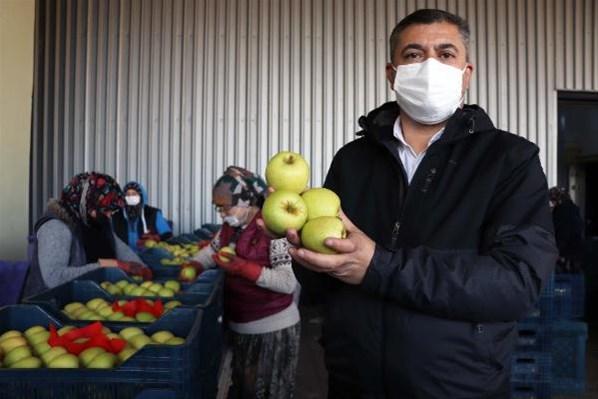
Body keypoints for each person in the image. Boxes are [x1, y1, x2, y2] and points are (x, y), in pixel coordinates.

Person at [275, 9, 557, 399]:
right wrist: (303, 247)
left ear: (466, 73)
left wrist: (379, 266)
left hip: (459, 387)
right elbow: (323, 287)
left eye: (445, 54)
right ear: (392, 74)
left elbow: (516, 282)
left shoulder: (509, 160)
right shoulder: (353, 160)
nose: (429, 65)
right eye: (413, 55)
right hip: (354, 382)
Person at [191, 166, 300, 399]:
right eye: (218, 207)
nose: (221, 213)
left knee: (269, 392)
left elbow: (287, 282)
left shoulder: (273, 227)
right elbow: (212, 249)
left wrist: (243, 268)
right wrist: (194, 265)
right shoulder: (231, 226)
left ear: (247, 201)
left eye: (225, 206)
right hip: (240, 326)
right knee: (245, 390)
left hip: (272, 330)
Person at [23, 172, 152, 298]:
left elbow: (119, 247)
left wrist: (142, 267)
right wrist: (106, 265)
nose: (108, 215)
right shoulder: (56, 227)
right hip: (49, 305)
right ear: (88, 204)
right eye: (105, 209)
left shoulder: (93, 221)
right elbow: (54, 277)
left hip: (86, 300)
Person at [112, 181, 173, 250]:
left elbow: (168, 235)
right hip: (124, 256)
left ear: (141, 196)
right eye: (127, 194)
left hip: (148, 255)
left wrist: (156, 238)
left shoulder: (153, 213)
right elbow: (110, 237)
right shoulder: (116, 216)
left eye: (134, 194)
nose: (130, 197)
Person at [549, 186, 584, 273]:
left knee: (562, 274)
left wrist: (557, 249)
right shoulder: (574, 209)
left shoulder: (560, 211)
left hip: (564, 248)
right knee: (575, 273)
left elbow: (562, 232)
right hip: (576, 247)